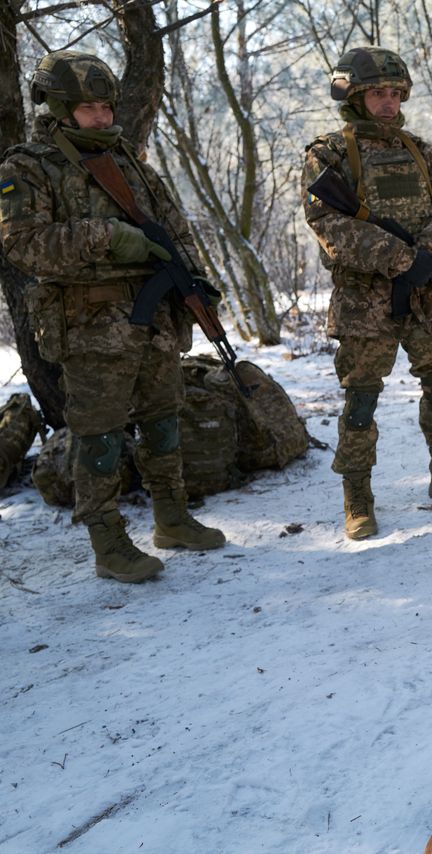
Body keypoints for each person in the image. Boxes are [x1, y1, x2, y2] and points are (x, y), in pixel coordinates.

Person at [0, 51, 225, 582]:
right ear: (58, 108)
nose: (101, 117)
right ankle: (107, 541)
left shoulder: (128, 161)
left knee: (162, 419)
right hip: (89, 323)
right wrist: (108, 236)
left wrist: (197, 286)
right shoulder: (27, 168)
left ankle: (171, 516)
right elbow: (23, 247)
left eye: (106, 107)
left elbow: (174, 231)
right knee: (98, 433)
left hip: (151, 318)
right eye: (88, 109)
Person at [302, 46, 432, 541]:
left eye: (394, 94)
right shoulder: (328, 154)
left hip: (428, 293)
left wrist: (430, 250)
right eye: (377, 94)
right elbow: (327, 223)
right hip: (367, 302)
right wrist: (402, 258)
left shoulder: (419, 150)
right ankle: (358, 497)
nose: (388, 103)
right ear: (352, 96)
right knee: (361, 400)